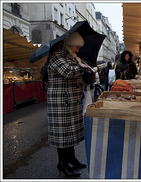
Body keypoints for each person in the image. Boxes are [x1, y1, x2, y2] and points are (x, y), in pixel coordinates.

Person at [47, 31, 88, 177]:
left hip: (72, 101)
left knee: (71, 133)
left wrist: (88, 71)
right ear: (68, 45)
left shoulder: (72, 56)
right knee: (62, 134)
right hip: (60, 102)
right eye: (76, 47)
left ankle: (71, 158)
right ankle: (62, 163)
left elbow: (81, 74)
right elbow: (67, 72)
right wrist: (83, 68)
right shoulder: (56, 56)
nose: (78, 50)